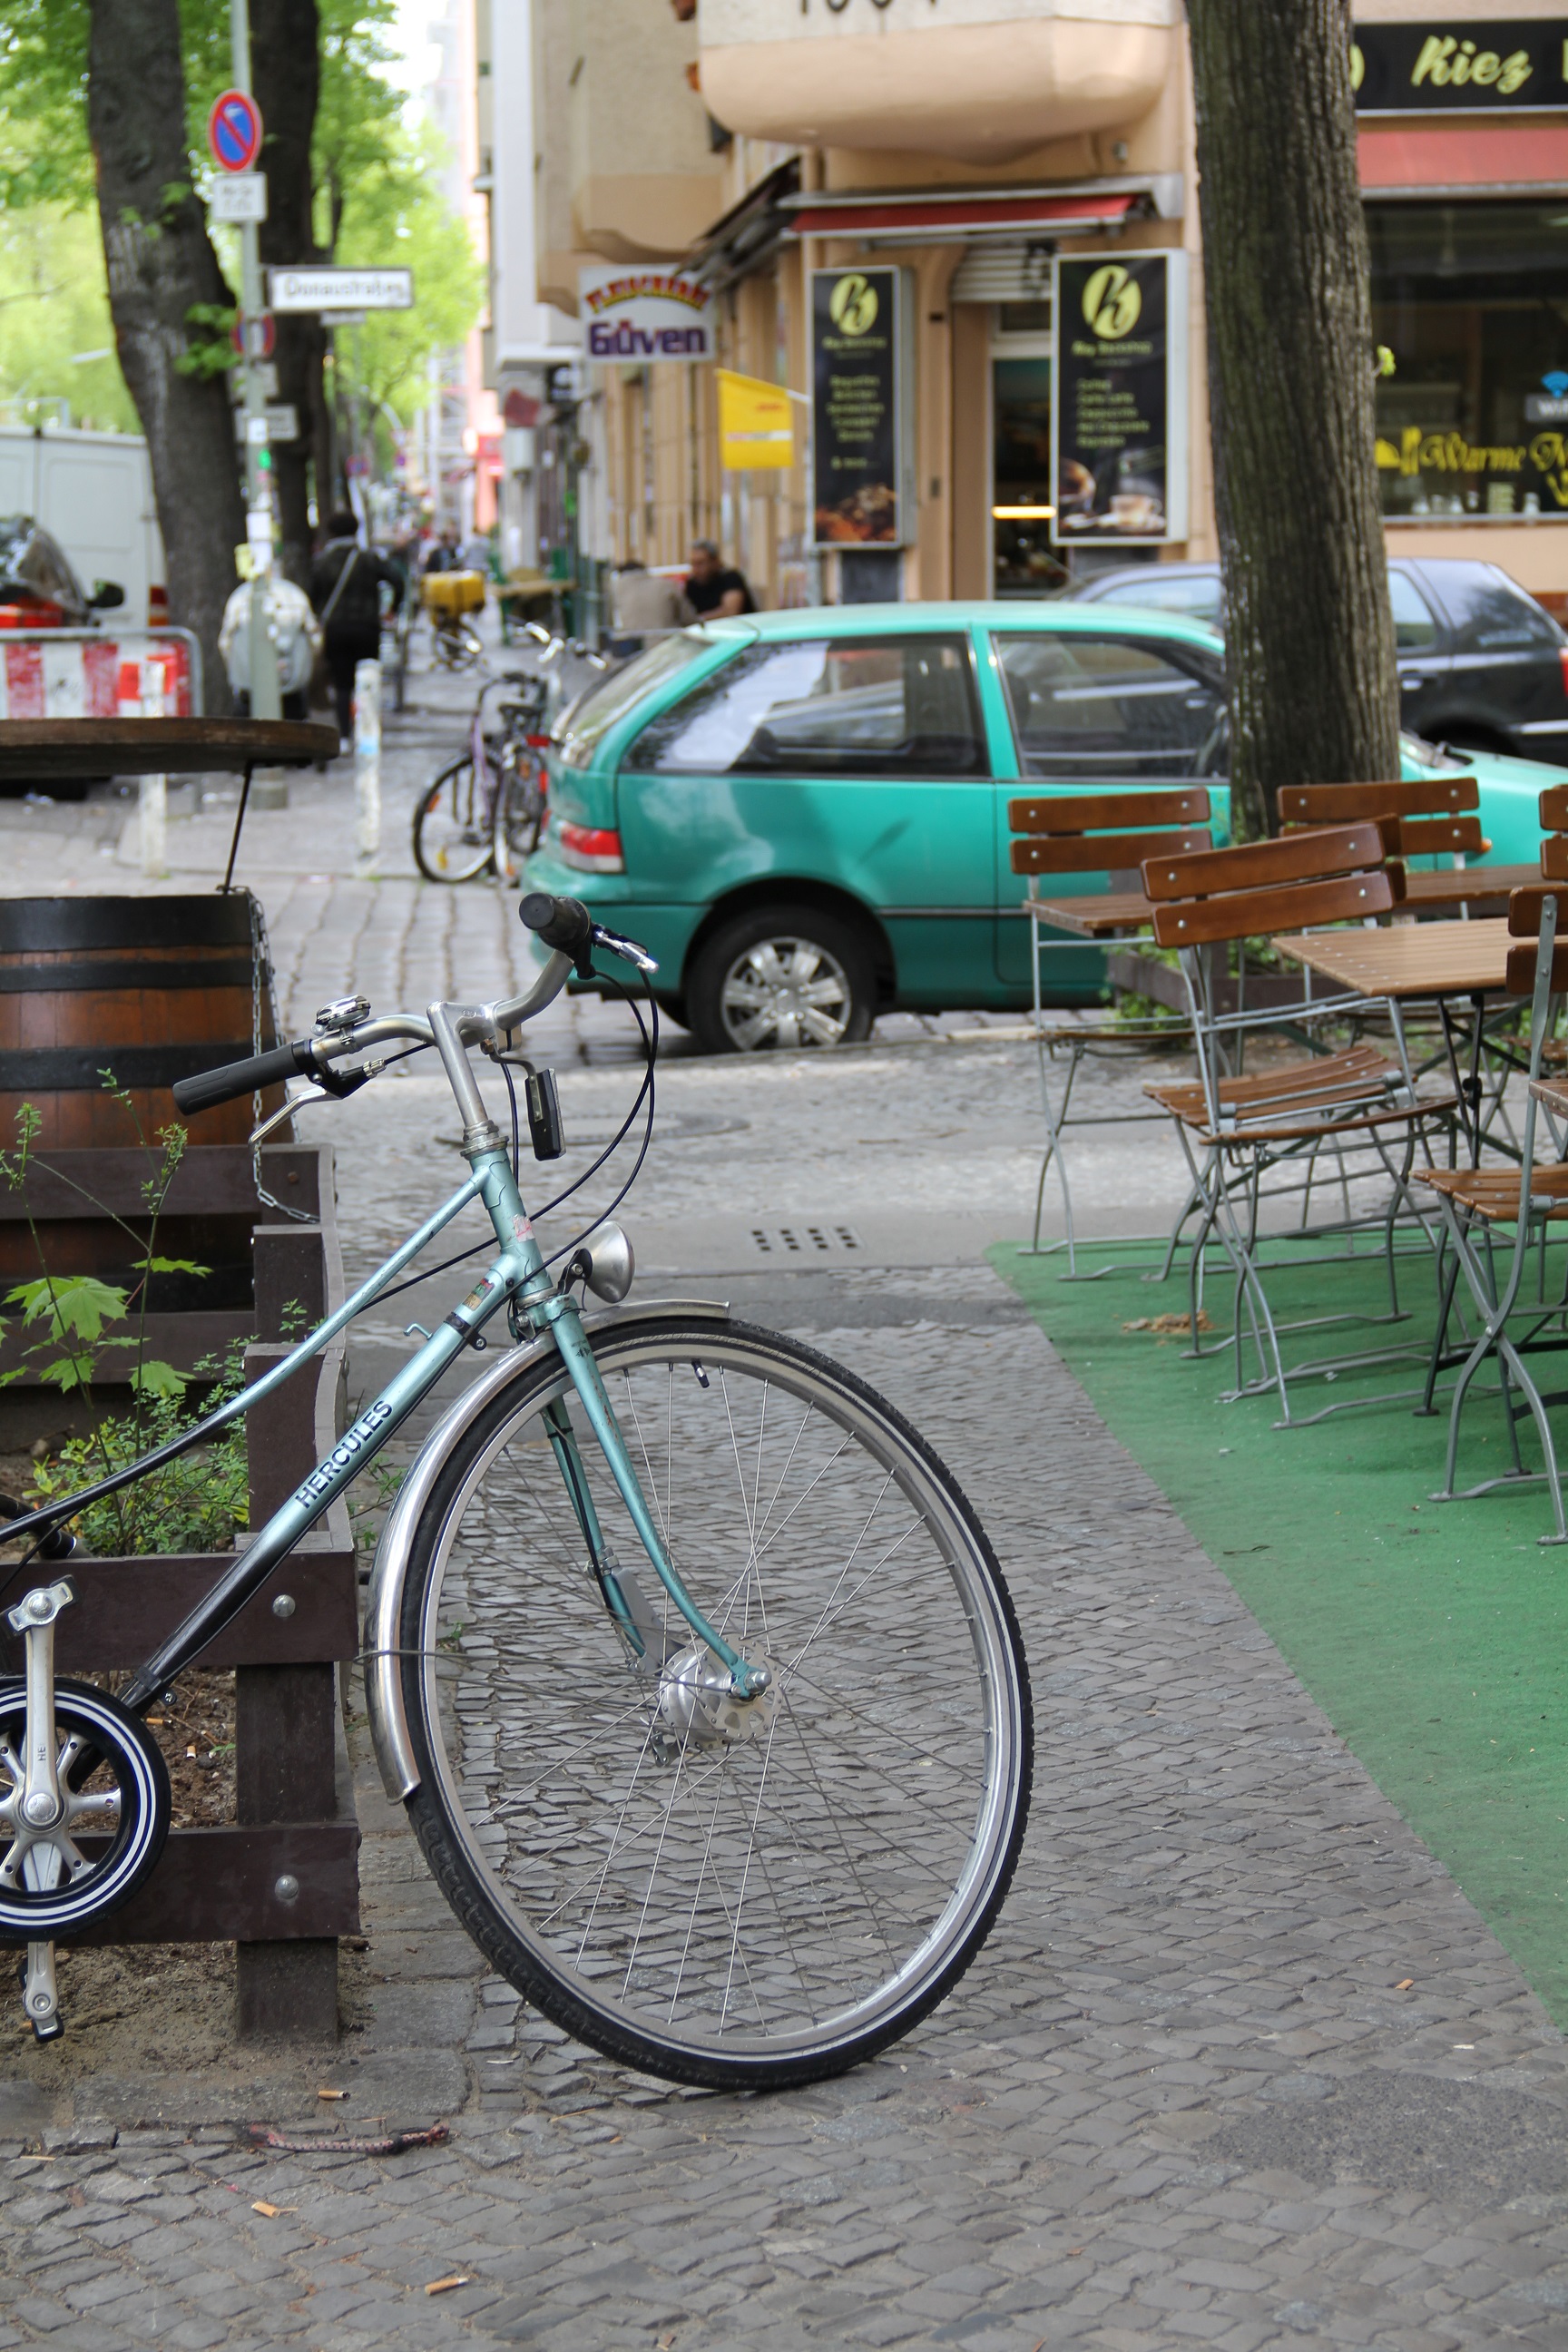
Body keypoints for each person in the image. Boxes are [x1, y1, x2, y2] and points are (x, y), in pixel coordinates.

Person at [309, 511, 404, 751]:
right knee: (368, 681)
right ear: (355, 531)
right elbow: (398, 580)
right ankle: (368, 734)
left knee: (342, 685)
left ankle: (343, 737)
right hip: (367, 628)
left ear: (331, 533)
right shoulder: (369, 559)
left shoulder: (322, 562)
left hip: (336, 630)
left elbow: (312, 596)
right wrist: (392, 608)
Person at [218, 571, 319, 720]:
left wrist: (234, 670)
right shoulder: (295, 594)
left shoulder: (240, 597)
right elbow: (315, 638)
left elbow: (225, 642)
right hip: (292, 685)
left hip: (249, 684)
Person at [609, 559, 684, 656]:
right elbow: (688, 618)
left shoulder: (616, 589)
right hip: (667, 648)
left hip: (634, 651)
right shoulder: (667, 585)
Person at [683, 540, 754, 619]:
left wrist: (699, 619)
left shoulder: (731, 578)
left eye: (701, 563)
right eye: (693, 563)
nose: (696, 569)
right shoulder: (692, 584)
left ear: (715, 561)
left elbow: (730, 612)